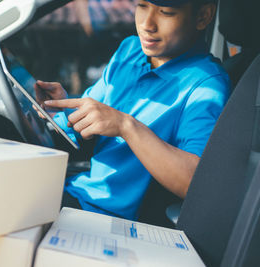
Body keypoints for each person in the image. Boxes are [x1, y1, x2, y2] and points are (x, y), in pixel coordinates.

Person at [35, 0, 230, 220]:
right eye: (141, 6)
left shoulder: (206, 85)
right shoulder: (130, 50)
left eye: (165, 12)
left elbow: (195, 183)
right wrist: (62, 107)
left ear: (203, 16)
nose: (147, 24)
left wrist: (126, 126)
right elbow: (91, 116)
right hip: (78, 191)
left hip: (108, 216)